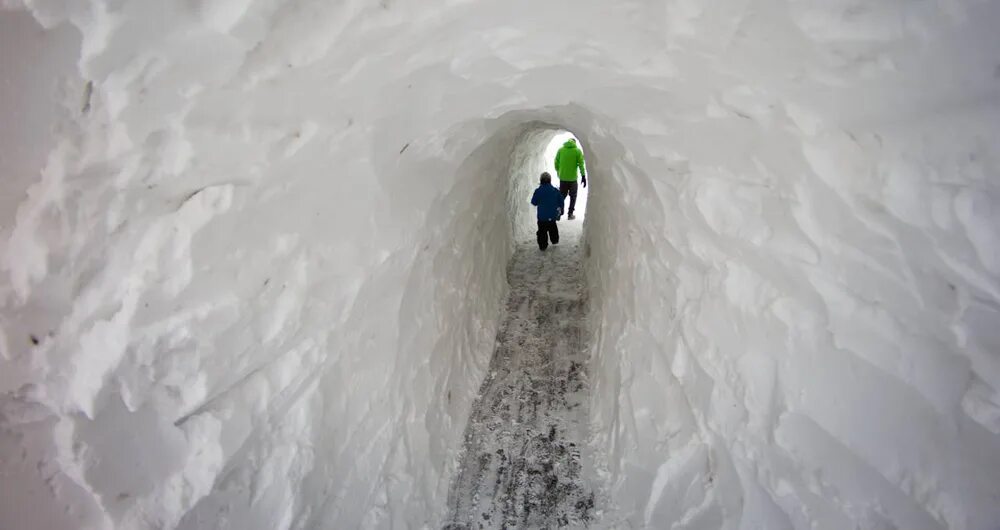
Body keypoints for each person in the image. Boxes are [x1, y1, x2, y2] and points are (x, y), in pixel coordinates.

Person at [553, 137, 587, 220]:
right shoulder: (577, 151)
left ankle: (558, 213)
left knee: (561, 196)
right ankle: (570, 214)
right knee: (573, 196)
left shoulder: (560, 150)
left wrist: (559, 171)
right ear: (574, 143)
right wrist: (583, 176)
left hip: (563, 177)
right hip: (573, 179)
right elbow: (581, 164)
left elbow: (556, 162)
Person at [530, 172, 565, 251]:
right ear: (550, 180)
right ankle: (555, 240)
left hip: (542, 217)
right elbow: (561, 201)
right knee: (553, 228)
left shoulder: (538, 191)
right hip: (552, 216)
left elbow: (534, 202)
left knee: (542, 232)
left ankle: (542, 245)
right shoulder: (555, 190)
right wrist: (561, 210)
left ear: (541, 180)